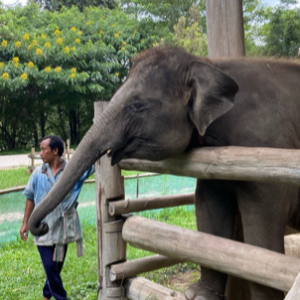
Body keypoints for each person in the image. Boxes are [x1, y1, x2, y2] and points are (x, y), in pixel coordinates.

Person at [20, 135, 94, 300]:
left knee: (55, 269)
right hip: (42, 228)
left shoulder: (73, 172)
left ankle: (47, 296)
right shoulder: (38, 173)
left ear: (55, 151)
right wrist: (25, 222)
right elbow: (30, 196)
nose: (40, 153)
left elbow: (92, 166)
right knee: (50, 267)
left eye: (43, 149)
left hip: (63, 228)